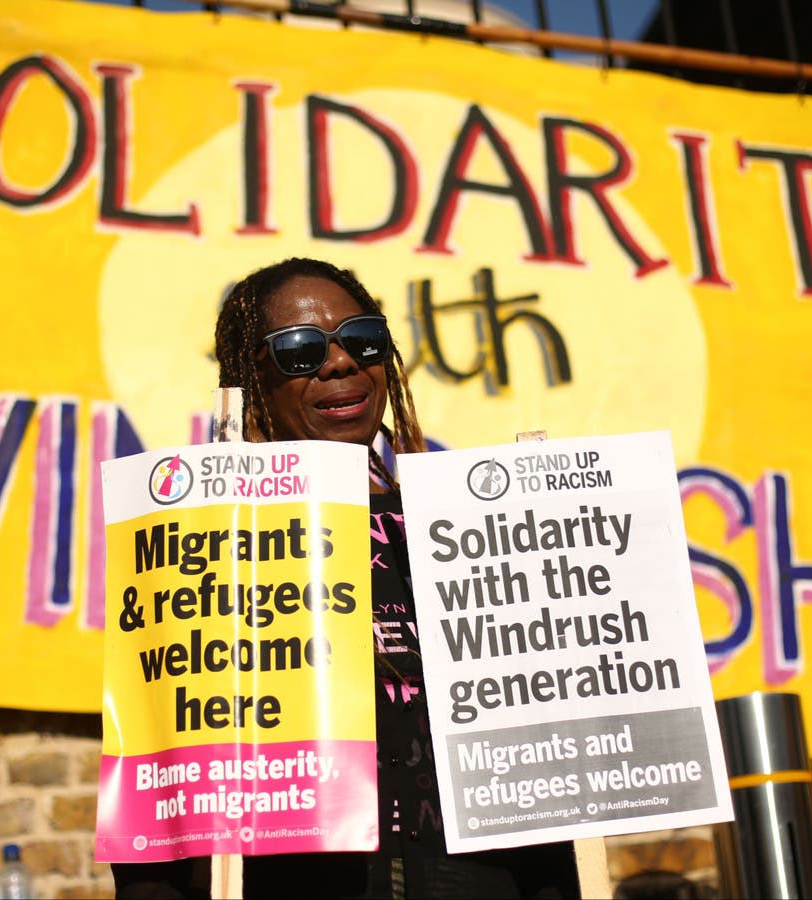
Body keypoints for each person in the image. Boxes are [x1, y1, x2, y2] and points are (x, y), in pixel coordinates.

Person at [113, 257, 580, 899]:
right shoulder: (203, 549)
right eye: (299, 350)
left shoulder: (461, 533)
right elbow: (163, 780)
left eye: (362, 338)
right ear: (253, 378)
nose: (340, 363)